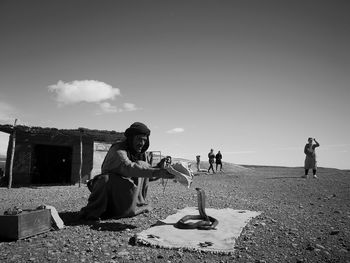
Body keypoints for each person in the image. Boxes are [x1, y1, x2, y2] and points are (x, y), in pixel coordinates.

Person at [79, 122, 175, 221]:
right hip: (112, 191)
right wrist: (157, 171)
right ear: (131, 138)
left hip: (128, 193)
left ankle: (135, 204)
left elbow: (147, 175)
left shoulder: (141, 154)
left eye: (144, 140)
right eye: (139, 139)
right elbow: (128, 167)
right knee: (105, 179)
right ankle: (95, 211)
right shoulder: (118, 150)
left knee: (143, 165)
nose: (142, 143)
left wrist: (160, 167)